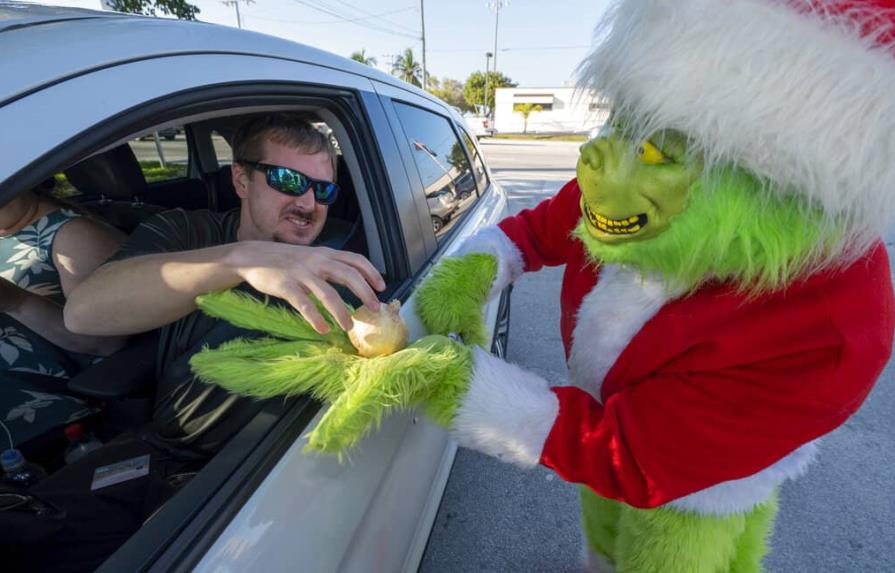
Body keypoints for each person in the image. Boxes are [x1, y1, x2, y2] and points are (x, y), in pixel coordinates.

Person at [64, 113, 385, 453]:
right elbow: (83, 313)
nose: (308, 203)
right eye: (287, 180)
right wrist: (243, 259)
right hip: (192, 453)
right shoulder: (183, 232)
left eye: (323, 190)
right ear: (241, 180)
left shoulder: (343, 256)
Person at [0, 186, 126, 379]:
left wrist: (16, 302)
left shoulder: (74, 234)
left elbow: (106, 341)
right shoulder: (7, 231)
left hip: (42, 388)